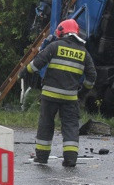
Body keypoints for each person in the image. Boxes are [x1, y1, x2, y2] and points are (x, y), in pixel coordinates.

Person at [19, 18, 96, 167]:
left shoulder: (54, 46)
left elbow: (36, 64)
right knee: (71, 126)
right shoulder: (83, 53)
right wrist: (83, 91)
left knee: (46, 125)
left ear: (62, 32)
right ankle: (70, 159)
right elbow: (92, 76)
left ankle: (41, 157)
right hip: (70, 98)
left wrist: (24, 72)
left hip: (50, 96)